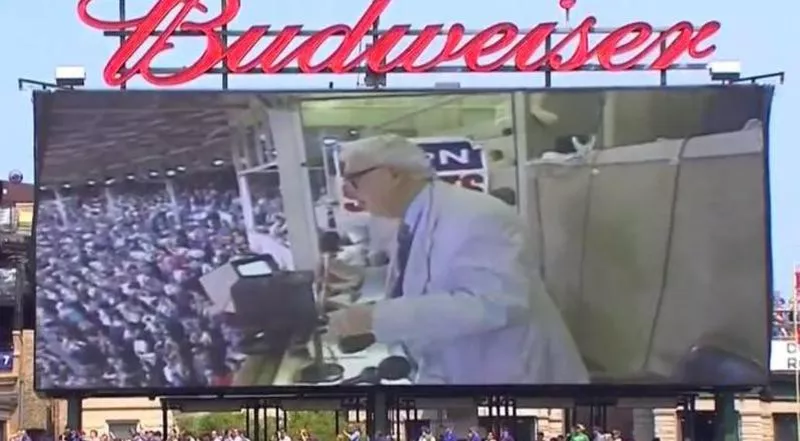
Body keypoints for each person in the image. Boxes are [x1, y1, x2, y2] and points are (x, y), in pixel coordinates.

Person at [326, 134, 588, 384]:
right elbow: (429, 280)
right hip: (456, 368)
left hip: (511, 374)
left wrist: (378, 318)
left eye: (354, 180)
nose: (348, 192)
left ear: (393, 173)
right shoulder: (415, 217)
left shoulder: (475, 216)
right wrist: (361, 277)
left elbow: (496, 304)